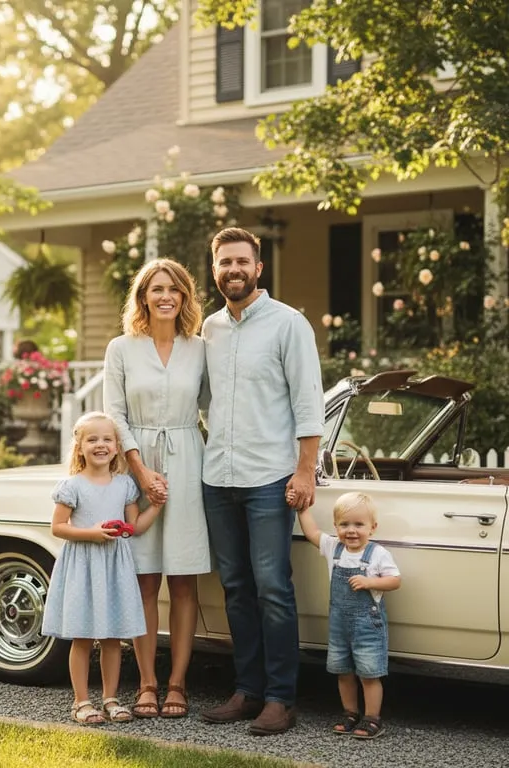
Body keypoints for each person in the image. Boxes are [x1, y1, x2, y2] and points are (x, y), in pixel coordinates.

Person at [200, 227, 324, 735]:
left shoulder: (288, 324)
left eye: (242, 261)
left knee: (273, 587)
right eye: (225, 262)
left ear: (258, 268)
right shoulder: (208, 328)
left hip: (270, 478)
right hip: (217, 477)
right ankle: (247, 691)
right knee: (235, 587)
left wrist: (305, 469)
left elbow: (308, 401)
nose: (234, 269)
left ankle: (280, 698)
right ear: (215, 269)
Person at [103, 258, 211, 719]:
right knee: (145, 578)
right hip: (137, 464)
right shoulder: (121, 348)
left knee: (183, 579)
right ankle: (146, 681)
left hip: (189, 460)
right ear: (143, 296)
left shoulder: (200, 348)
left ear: (185, 297)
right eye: (157, 289)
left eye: (175, 289)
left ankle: (177, 683)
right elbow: (114, 414)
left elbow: (215, 408)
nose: (166, 296)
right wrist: (140, 470)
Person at [41, 411, 163, 726]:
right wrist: (91, 534)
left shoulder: (124, 485)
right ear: (79, 447)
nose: (100, 445)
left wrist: (159, 506)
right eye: (92, 439)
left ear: (117, 446)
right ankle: (81, 701)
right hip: (83, 566)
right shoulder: (72, 486)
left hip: (113, 569)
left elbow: (134, 527)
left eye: (107, 439)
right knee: (82, 636)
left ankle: (110, 698)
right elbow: (58, 527)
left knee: (112, 637)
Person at [295, 491, 401, 739]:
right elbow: (311, 533)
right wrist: (302, 510)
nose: (351, 531)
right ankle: (350, 713)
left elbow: (395, 581)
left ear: (372, 528)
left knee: (369, 673)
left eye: (358, 525)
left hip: (368, 625)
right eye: (344, 524)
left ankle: (372, 718)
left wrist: (369, 582)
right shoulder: (334, 548)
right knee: (343, 671)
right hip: (339, 625)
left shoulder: (377, 554)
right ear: (336, 526)